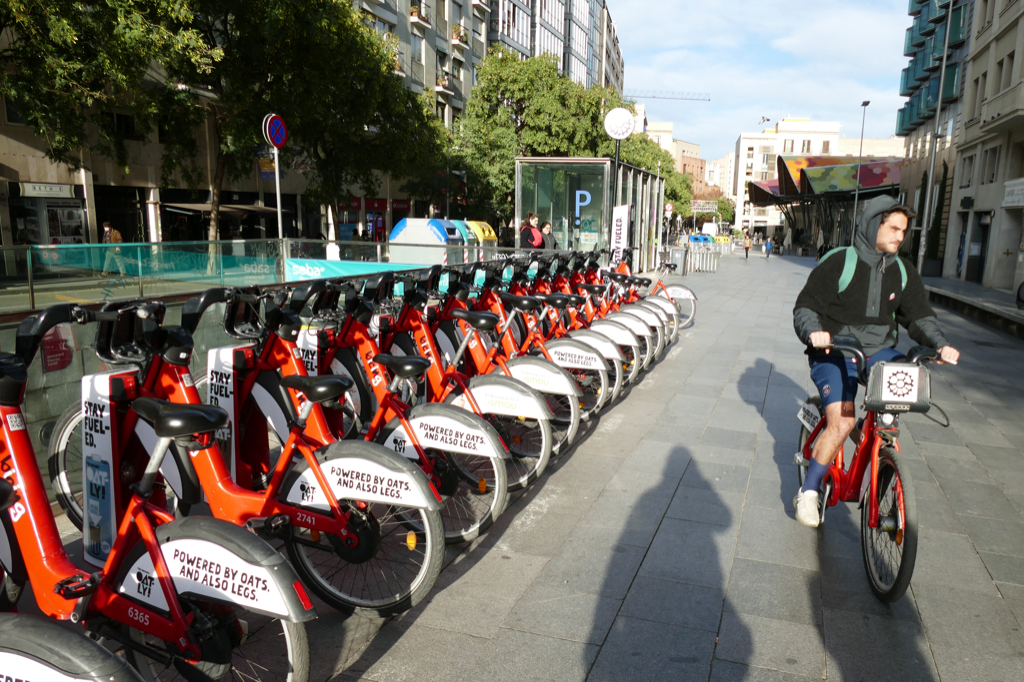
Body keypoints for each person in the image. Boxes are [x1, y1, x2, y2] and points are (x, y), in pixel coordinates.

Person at [792, 196, 960, 527]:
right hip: (835, 350)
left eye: (904, 231)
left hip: (878, 351)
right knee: (841, 421)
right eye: (894, 228)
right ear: (874, 224)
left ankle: (885, 463)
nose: (900, 236)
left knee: (892, 408)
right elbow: (806, 307)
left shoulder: (902, 270)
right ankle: (809, 492)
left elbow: (920, 316)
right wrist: (815, 333)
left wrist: (940, 345)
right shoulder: (840, 262)